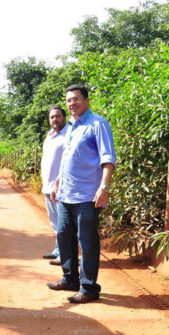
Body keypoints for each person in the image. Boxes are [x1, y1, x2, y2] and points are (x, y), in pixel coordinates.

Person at [48, 84, 116, 304]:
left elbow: (108, 159)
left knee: (87, 242)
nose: (72, 103)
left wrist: (104, 188)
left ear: (86, 100)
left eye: (76, 99)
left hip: (87, 195)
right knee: (64, 236)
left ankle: (88, 287)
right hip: (66, 194)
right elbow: (66, 160)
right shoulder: (71, 126)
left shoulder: (98, 124)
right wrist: (57, 183)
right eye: (68, 100)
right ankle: (70, 278)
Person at [40, 106, 67, 266]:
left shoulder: (68, 136)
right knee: (55, 222)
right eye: (52, 117)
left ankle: (66, 255)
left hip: (61, 188)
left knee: (64, 225)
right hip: (47, 186)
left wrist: (58, 183)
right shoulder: (49, 136)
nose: (54, 120)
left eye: (57, 116)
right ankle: (58, 250)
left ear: (64, 117)